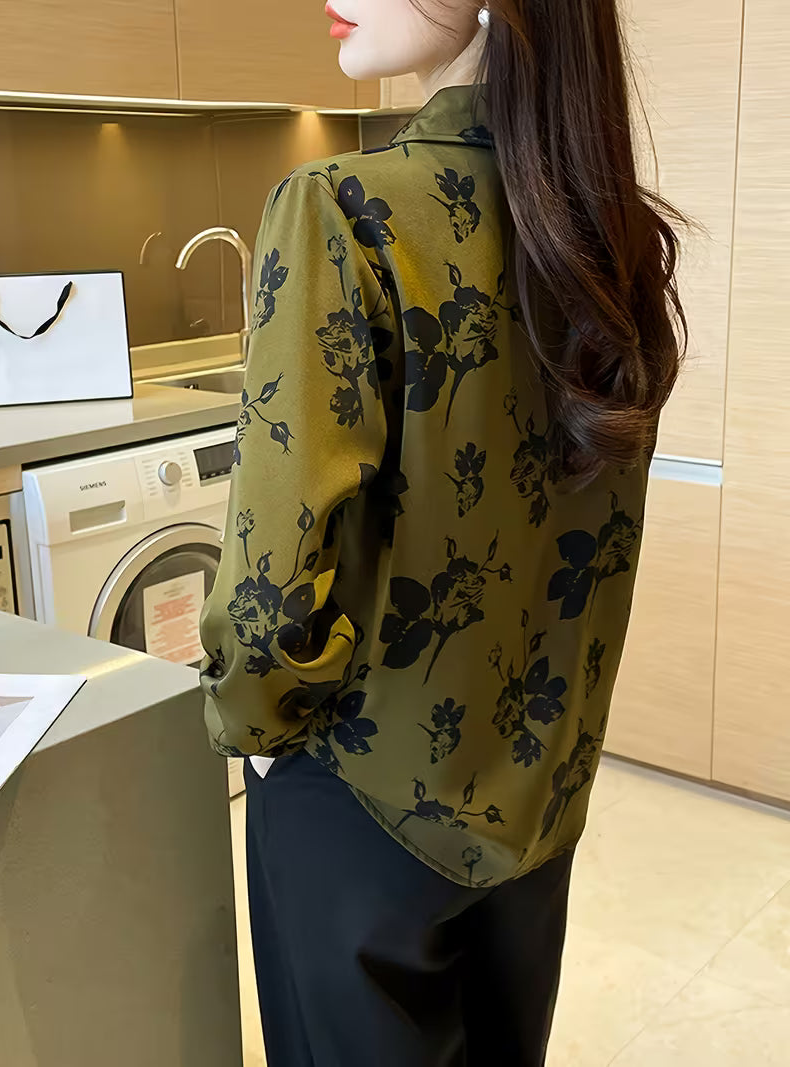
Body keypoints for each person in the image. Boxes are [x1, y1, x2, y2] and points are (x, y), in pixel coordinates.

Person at [199, 2, 688, 1064]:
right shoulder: (613, 242)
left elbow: (268, 592)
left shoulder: (341, 208)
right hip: (538, 796)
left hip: (358, 800)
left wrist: (254, 731)